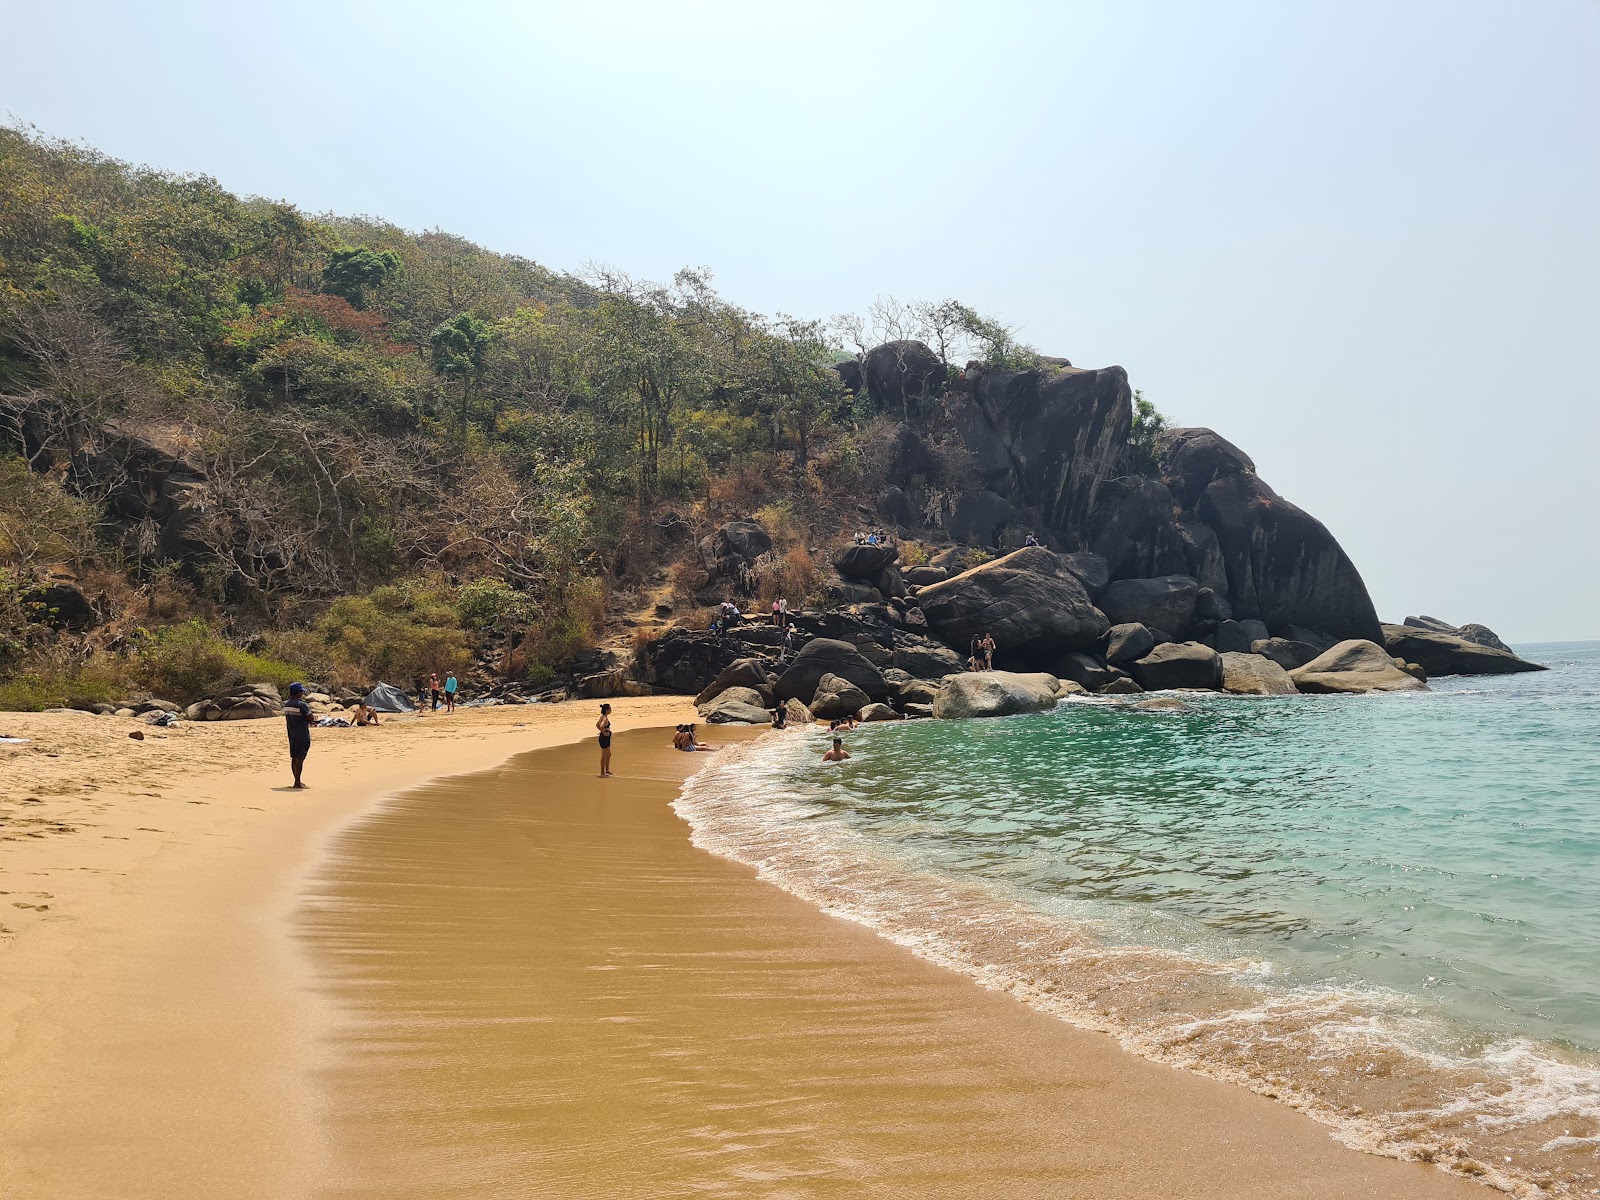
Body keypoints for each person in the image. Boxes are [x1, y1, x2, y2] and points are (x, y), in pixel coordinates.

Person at [283, 683, 313, 788]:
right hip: (302, 735)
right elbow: (311, 718)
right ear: (298, 693)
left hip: (292, 735)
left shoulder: (287, 704)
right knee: (300, 758)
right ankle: (297, 782)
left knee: (294, 758)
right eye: (301, 692)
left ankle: (296, 780)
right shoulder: (301, 704)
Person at [597, 703, 613, 777]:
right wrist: (604, 733)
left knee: (609, 754)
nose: (611, 710)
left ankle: (607, 770)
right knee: (604, 756)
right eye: (610, 709)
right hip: (604, 738)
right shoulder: (604, 718)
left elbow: (597, 725)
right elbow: (601, 726)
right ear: (606, 710)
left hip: (606, 737)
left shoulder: (603, 716)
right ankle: (602, 772)